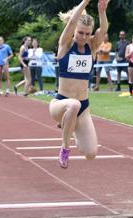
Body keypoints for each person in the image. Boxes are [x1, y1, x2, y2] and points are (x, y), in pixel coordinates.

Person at [49, 0, 109, 168]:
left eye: (87, 34)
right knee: (73, 105)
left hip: (83, 107)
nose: (83, 37)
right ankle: (65, 148)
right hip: (61, 104)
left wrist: (101, 10)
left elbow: (103, 29)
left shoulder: (92, 46)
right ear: (74, 30)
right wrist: (85, 2)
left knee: (91, 154)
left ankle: (71, 123)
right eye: (80, 33)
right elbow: (73, 21)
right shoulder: (65, 45)